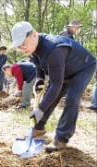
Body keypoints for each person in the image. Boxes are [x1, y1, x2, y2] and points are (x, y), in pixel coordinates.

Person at [11, 21, 96, 152]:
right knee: (50, 96)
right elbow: (38, 63)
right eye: (19, 46)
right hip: (64, 70)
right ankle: (38, 128)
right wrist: (40, 78)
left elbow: (56, 84)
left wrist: (40, 109)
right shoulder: (32, 47)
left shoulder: (54, 48)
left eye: (23, 44)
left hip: (82, 68)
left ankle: (61, 139)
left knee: (71, 99)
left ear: (34, 35)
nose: (22, 48)